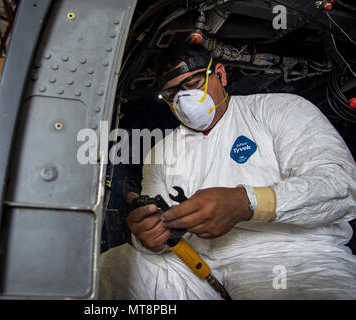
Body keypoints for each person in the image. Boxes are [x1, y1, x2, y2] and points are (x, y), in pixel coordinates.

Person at [99, 42, 356, 299]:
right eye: (172, 93)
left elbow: (340, 184)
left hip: (294, 257)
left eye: (192, 84)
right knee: (114, 269)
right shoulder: (161, 153)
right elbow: (161, 238)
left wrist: (245, 202)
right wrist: (148, 239)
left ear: (220, 74)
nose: (183, 99)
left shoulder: (278, 109)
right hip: (197, 267)